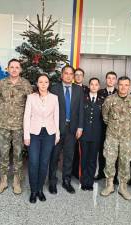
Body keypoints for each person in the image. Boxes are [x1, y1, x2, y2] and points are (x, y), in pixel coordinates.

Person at [0, 58, 32, 195]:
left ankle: (16, 181)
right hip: (3, 125)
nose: (14, 69)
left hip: (19, 126)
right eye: (12, 67)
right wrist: (2, 112)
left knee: (18, 154)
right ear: (7, 69)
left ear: (20, 69)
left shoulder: (26, 84)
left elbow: (30, 103)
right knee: (3, 154)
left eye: (17, 67)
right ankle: (3, 181)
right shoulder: (1, 83)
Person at [100, 76, 131, 200]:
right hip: (112, 136)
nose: (123, 87)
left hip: (127, 138)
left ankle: (123, 187)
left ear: (129, 86)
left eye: (126, 85)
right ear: (117, 85)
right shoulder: (109, 99)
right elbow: (105, 116)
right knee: (109, 161)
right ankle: (109, 185)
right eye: (121, 84)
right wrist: (115, 127)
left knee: (125, 162)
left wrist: (127, 128)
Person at [23, 74, 59, 203]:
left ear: (49, 84)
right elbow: (26, 117)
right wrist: (26, 135)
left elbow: (56, 117)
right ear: (37, 84)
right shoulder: (31, 98)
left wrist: (57, 135)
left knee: (44, 163)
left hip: (49, 134)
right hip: (34, 134)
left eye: (46, 82)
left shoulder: (54, 98)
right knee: (33, 162)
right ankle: (33, 191)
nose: (43, 84)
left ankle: (40, 190)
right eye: (41, 82)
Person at [48, 65, 84, 195]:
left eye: (71, 74)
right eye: (66, 73)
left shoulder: (78, 90)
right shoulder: (54, 88)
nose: (68, 76)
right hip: (56, 129)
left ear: (73, 76)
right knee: (54, 156)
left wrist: (80, 127)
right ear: (62, 75)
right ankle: (52, 182)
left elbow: (80, 110)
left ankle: (66, 181)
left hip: (72, 129)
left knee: (69, 156)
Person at [79, 78, 103, 191]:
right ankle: (84, 181)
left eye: (96, 85)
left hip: (96, 135)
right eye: (92, 84)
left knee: (93, 159)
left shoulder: (102, 100)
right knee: (84, 158)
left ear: (99, 87)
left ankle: (90, 181)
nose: (94, 86)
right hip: (84, 134)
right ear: (89, 86)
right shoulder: (82, 98)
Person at [95, 71, 117, 180]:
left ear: (116, 81)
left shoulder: (120, 93)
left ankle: (114, 176)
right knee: (101, 150)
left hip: (115, 128)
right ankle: (101, 173)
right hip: (101, 127)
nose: (111, 80)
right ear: (106, 79)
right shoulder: (99, 92)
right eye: (109, 78)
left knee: (115, 152)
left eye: (113, 78)